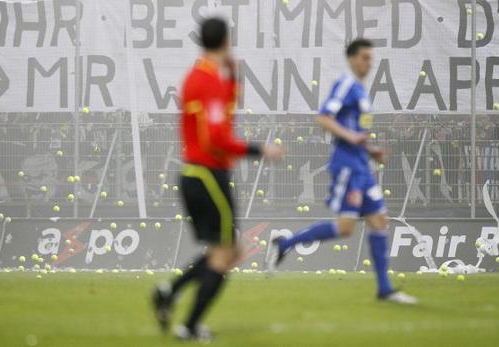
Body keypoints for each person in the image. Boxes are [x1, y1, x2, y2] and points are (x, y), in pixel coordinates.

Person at [152, 17, 283, 342]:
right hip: (208, 174)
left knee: (225, 251)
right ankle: (190, 326)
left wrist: (234, 75)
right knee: (228, 254)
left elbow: (223, 110)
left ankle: (170, 292)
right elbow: (215, 139)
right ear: (226, 41)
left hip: (195, 174)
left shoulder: (201, 78)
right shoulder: (207, 81)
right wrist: (259, 149)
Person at [266, 38, 417, 305]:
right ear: (351, 59)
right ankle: (284, 244)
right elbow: (324, 118)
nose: (369, 63)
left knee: (380, 221)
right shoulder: (346, 85)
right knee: (346, 227)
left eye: (371, 58)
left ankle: (385, 289)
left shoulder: (360, 90)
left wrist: (370, 150)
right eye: (364, 58)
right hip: (347, 167)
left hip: (362, 166)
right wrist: (351, 137)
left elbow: (355, 133)